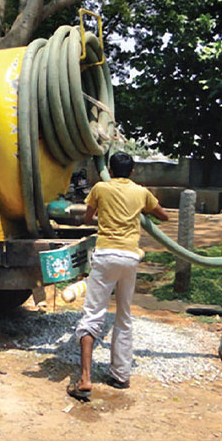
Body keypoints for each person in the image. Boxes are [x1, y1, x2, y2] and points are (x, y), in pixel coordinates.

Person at [67, 151, 168, 399]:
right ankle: (121, 375)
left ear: (110, 171)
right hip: (130, 257)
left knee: (92, 315)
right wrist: (140, 213)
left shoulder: (101, 188)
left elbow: (88, 217)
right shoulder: (141, 191)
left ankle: (85, 379)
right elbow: (163, 216)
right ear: (132, 172)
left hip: (105, 255)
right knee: (124, 315)